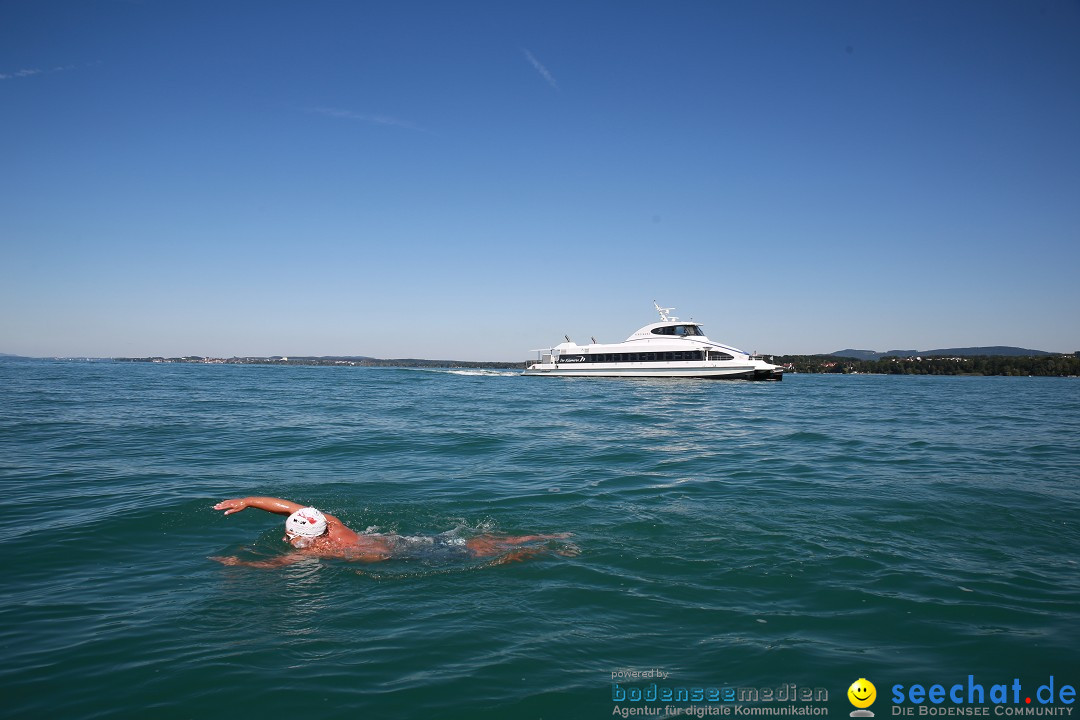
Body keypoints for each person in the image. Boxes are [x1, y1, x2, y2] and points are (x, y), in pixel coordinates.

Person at [210, 496, 573, 568]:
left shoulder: (316, 550)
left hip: (411, 554)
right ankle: (552, 535)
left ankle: (548, 550)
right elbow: (290, 505)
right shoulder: (333, 524)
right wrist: (248, 500)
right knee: (480, 541)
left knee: (487, 557)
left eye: (290, 534)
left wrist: (239, 563)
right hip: (407, 541)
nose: (287, 536)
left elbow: (276, 564)